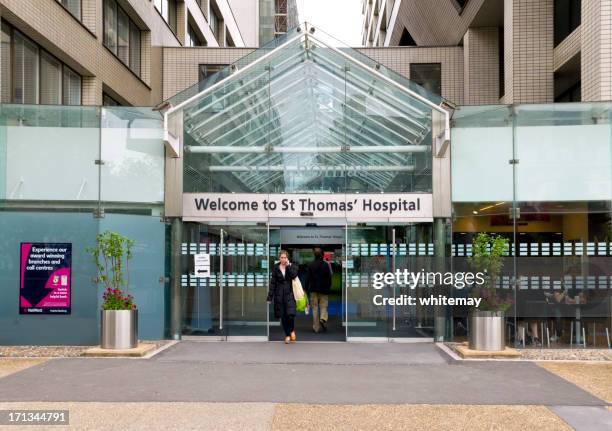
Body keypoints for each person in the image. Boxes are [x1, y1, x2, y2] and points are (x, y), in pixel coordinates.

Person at [267, 250, 299, 344]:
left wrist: (288, 266)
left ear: (287, 258)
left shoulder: (292, 266)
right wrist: (270, 297)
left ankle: (292, 330)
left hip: (290, 294)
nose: (283, 259)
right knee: (283, 316)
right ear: (279, 258)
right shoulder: (276, 268)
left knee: (290, 315)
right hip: (279, 295)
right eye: (282, 257)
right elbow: (273, 283)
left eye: (285, 257)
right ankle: (287, 335)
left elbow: (294, 275)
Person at [305, 247, 332, 333]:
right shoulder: (326, 265)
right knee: (323, 306)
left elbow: (307, 278)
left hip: (313, 290)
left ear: (314, 255)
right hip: (324, 290)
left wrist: (305, 288)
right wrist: (328, 287)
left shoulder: (310, 265)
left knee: (315, 308)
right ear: (322, 255)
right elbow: (329, 278)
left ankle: (316, 328)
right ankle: (323, 318)